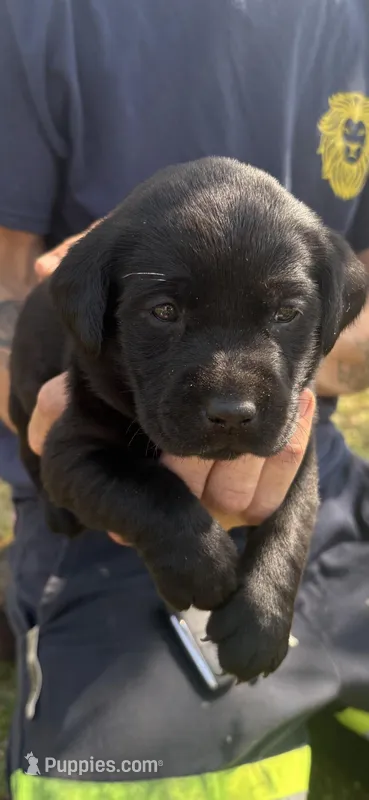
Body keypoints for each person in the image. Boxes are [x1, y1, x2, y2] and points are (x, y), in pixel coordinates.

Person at [1, 0, 369, 797]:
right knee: (119, 774)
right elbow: (73, 455)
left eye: (283, 313)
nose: (231, 392)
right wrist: (175, 535)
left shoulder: (350, 26)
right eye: (165, 312)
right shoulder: (43, 20)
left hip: (314, 464)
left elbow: (303, 450)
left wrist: (270, 581)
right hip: (97, 515)